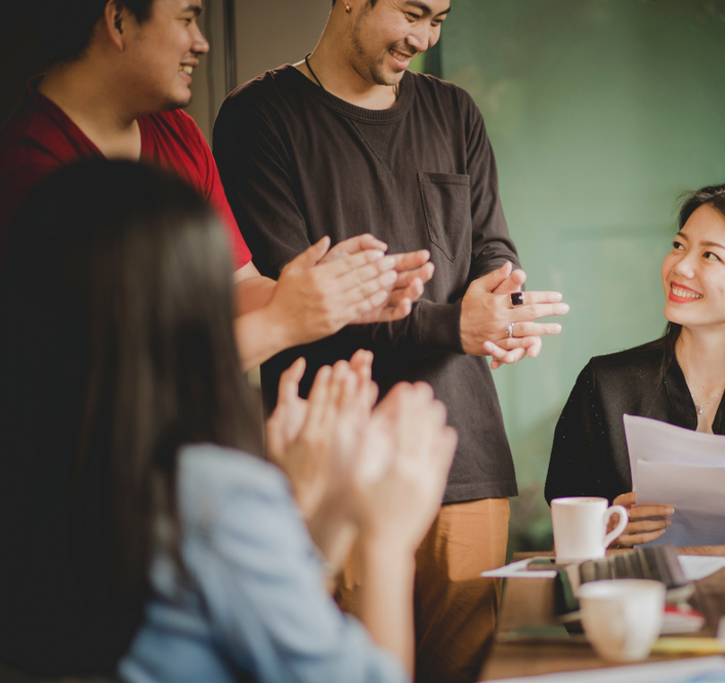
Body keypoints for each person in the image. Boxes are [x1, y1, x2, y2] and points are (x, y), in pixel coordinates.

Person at [212, 1, 568, 680]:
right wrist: (454, 323)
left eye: (438, 18)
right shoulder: (258, 118)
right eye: (411, 12)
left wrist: (502, 300)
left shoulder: (454, 111)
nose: (424, 37)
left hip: (463, 459)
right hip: (333, 469)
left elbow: (491, 242)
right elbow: (307, 302)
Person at [0, 159, 456, 681]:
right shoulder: (206, 494)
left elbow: (251, 620)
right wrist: (387, 539)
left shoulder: (35, 478)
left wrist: (313, 515)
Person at [0, 0, 433, 371]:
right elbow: (127, 373)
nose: (201, 42)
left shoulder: (177, 132)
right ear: (118, 21)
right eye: (186, 19)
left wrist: (328, 293)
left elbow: (235, 286)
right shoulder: (28, 171)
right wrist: (283, 321)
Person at [545, 184, 725, 546]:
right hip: (640, 596)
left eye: (710, 256)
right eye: (679, 246)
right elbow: (565, 521)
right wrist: (608, 531)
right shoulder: (604, 384)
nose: (680, 267)